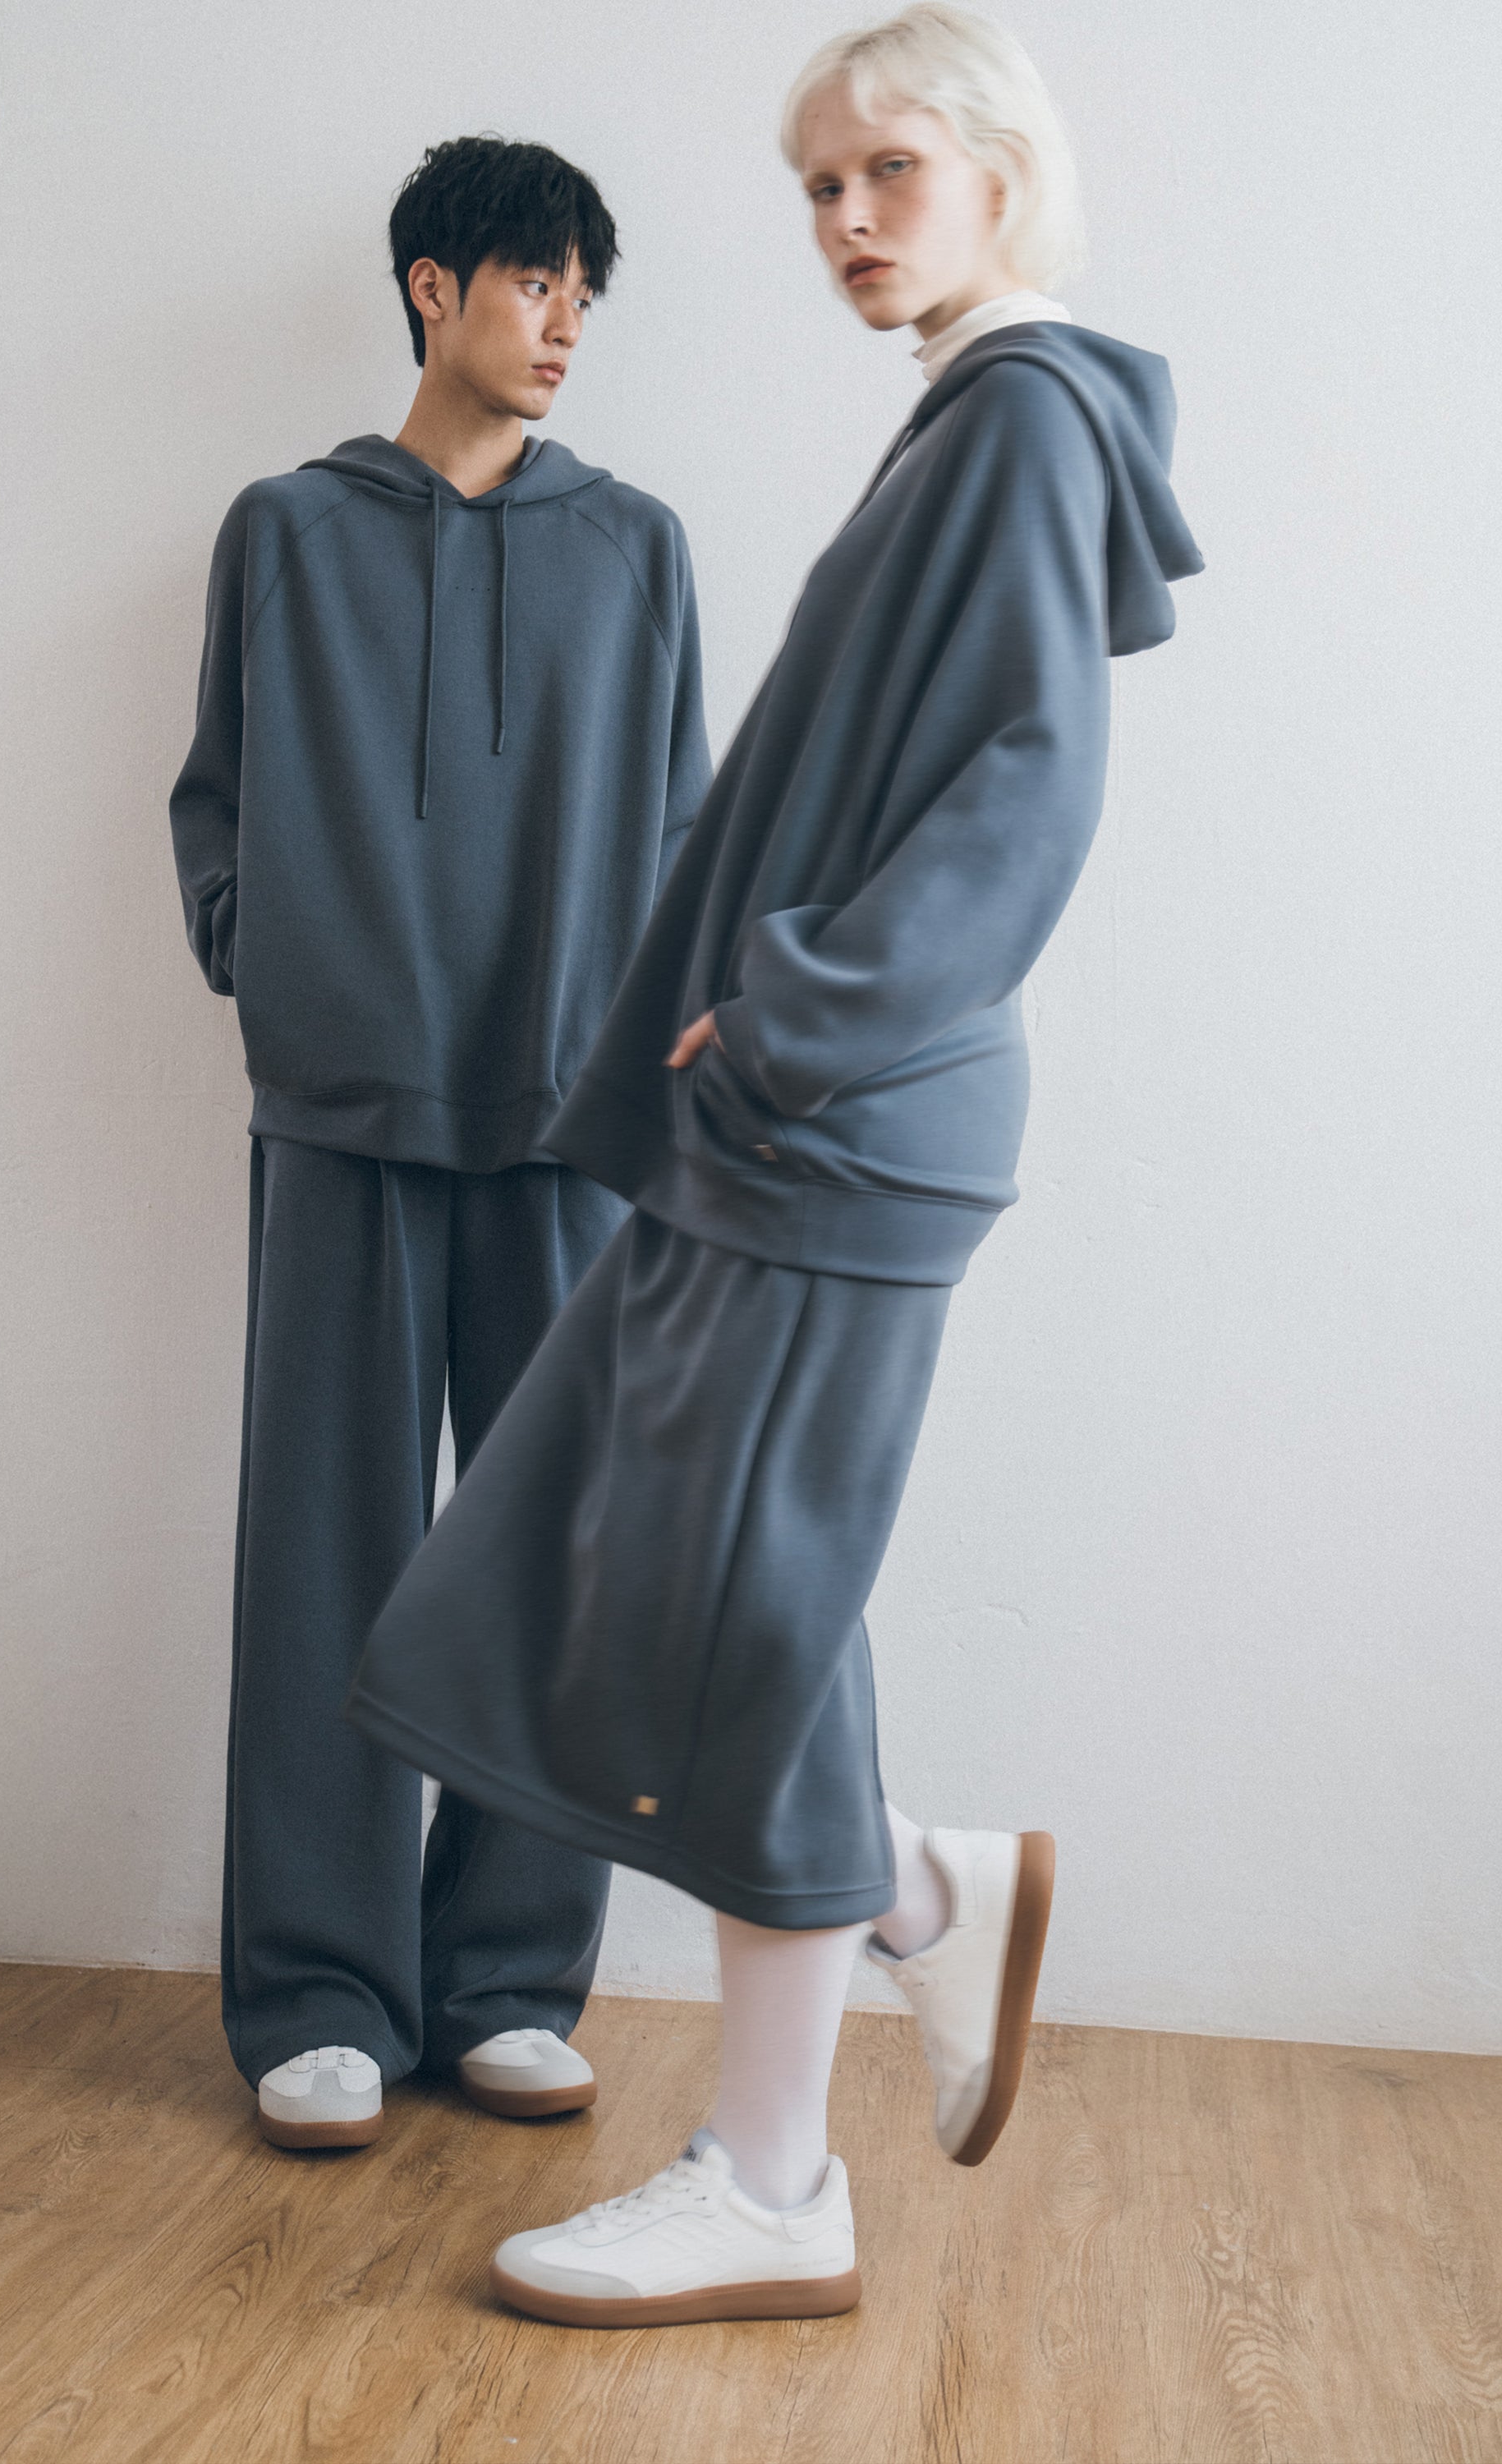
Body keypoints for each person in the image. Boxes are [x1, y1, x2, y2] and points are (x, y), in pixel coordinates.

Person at [351, 1, 1202, 2319]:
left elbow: (1026, 785)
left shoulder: (1019, 419)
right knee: (743, 1603)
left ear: (1001, 171)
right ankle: (916, 1913)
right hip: (797, 1119)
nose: (842, 219)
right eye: (817, 185)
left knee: (736, 1615)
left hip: (843, 1116)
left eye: (886, 171)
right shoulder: (971, 418)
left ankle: (776, 2167)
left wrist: (800, 1010)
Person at [168, 137, 711, 2149]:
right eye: (533, 283)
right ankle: (319, 1990)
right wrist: (276, 966)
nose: (563, 326)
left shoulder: (635, 547)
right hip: (342, 1111)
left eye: (584, 295)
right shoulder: (285, 532)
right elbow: (216, 800)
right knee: (327, 1548)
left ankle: (504, 1980)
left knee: (554, 1559)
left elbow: (685, 828)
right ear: (432, 287)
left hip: (567, 1122)